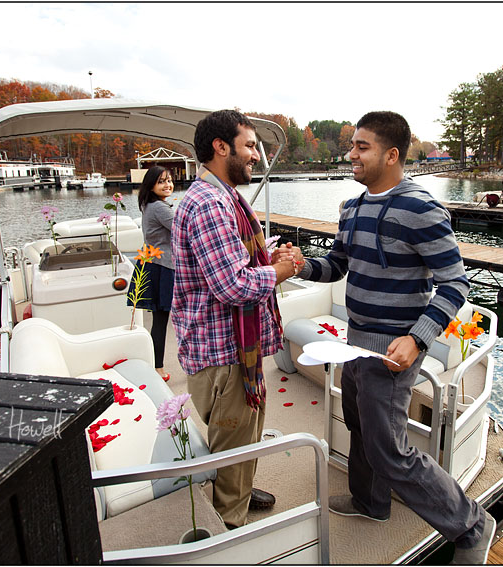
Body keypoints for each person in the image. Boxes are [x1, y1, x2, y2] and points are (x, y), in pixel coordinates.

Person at [293, 111, 497, 564]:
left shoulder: (421, 209)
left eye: (361, 147)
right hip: (353, 342)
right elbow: (337, 266)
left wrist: (418, 339)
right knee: (358, 423)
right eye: (352, 145)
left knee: (390, 450)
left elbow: (456, 283)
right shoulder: (351, 208)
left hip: (393, 350)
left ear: (391, 155)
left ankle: (472, 526)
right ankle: (371, 502)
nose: (351, 153)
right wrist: (301, 266)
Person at [170, 109, 298, 529]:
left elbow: (236, 263)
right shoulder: (210, 204)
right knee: (233, 441)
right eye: (249, 146)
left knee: (243, 435)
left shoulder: (222, 196)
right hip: (222, 353)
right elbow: (233, 285)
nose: (256, 156)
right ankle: (229, 525)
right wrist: (281, 272)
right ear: (220, 147)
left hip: (232, 349)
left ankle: (238, 488)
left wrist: (269, 258)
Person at [133, 165, 175, 381]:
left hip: (151, 263)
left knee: (159, 320)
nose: (167, 185)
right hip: (162, 267)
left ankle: (155, 365)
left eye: (169, 180)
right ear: (151, 185)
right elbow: (184, 229)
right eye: (161, 181)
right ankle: (157, 368)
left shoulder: (148, 205)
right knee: (161, 320)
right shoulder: (159, 208)